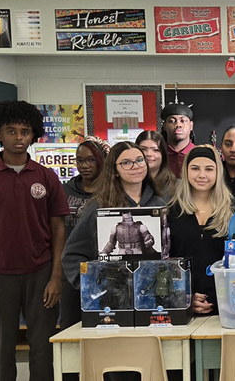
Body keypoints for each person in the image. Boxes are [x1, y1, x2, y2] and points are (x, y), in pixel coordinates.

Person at [0, 100, 67, 381]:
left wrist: (56, 277)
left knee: (43, 348)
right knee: (1, 350)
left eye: (25, 131)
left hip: (41, 274)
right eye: (11, 131)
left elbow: (58, 230)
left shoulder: (47, 177)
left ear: (33, 135)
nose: (19, 137)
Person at [61, 142, 167, 298]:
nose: (135, 166)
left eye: (139, 160)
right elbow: (72, 254)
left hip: (150, 291)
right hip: (113, 294)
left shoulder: (159, 204)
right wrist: (93, 286)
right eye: (126, 163)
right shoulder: (100, 206)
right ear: (115, 170)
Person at [167, 145, 235, 315]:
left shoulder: (234, 211)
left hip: (226, 308)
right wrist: (183, 297)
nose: (202, 175)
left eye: (209, 169)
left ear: (218, 172)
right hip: (182, 309)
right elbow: (165, 263)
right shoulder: (172, 212)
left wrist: (220, 298)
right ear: (186, 171)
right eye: (195, 168)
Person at [59, 138, 106, 327]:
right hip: (71, 266)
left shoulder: (110, 193)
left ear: (101, 160)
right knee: (69, 321)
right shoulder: (64, 191)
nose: (85, 165)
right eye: (80, 160)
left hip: (101, 267)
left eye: (91, 160)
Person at [136, 130, 178, 201]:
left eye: (155, 150)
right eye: (143, 149)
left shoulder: (177, 186)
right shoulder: (126, 184)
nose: (148, 154)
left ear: (163, 154)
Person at [161, 103, 195, 177]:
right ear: (164, 126)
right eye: (172, 121)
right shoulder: (158, 155)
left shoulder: (199, 153)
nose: (178, 125)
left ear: (191, 125)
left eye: (183, 121)